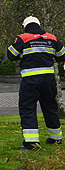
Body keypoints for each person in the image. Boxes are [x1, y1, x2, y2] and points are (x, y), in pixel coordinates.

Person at [7, 16, 65, 149]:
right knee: (50, 107)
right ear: (39, 24)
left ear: (25, 26)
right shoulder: (52, 38)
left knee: (27, 108)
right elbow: (62, 55)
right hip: (49, 80)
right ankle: (56, 138)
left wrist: (24, 54)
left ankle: (32, 143)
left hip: (30, 80)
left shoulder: (23, 38)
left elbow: (11, 55)